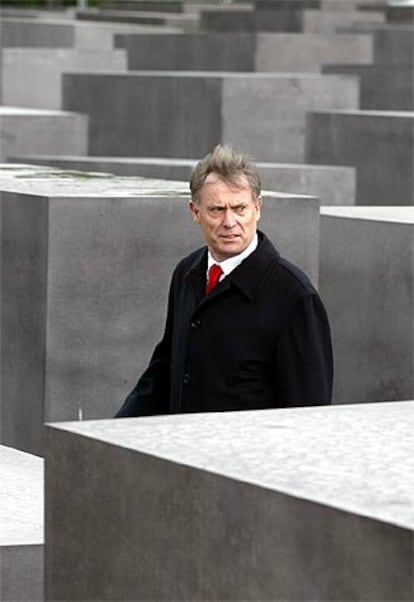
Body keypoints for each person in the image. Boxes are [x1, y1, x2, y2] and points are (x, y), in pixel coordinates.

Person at [115, 145, 333, 417]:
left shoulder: (295, 296)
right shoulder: (186, 272)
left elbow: (309, 412)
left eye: (240, 208)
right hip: (180, 450)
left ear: (258, 208)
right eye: (217, 210)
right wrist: (112, 430)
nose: (229, 222)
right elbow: (165, 369)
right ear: (195, 212)